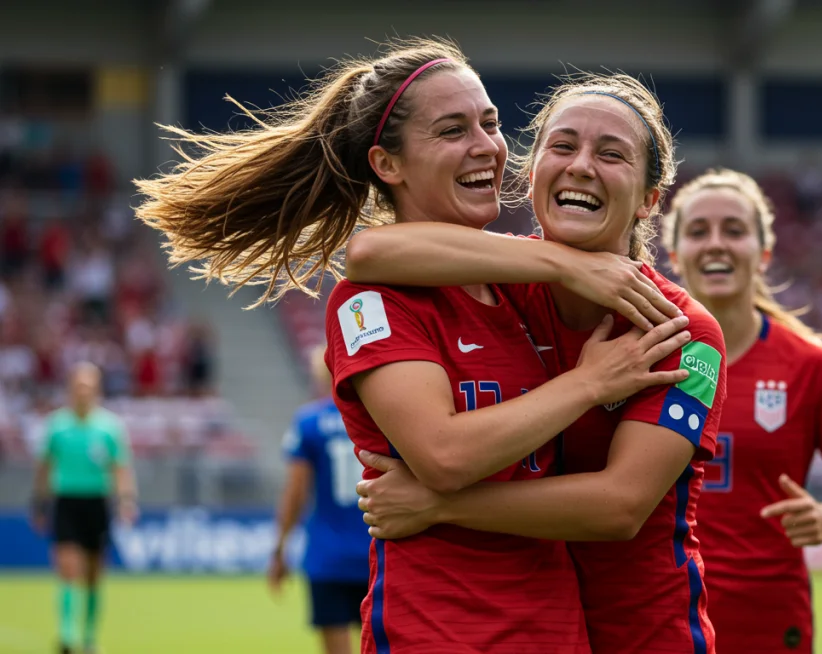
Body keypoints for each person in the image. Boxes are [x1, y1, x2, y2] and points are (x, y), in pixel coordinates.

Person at [134, 38, 685, 653]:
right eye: (452, 130)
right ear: (388, 165)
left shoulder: (520, 288)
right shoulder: (373, 303)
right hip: (441, 632)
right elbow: (443, 456)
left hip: (554, 631)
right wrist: (586, 382)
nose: (486, 146)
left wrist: (564, 267)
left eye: (491, 123)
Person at [348, 73, 728, 654]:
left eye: (611, 154)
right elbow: (368, 254)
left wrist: (439, 504)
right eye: (563, 146)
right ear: (531, 176)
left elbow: (619, 506)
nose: (580, 166)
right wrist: (566, 267)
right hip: (535, 626)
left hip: (646, 633)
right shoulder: (501, 285)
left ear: (651, 199)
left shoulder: (683, 332)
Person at [660, 168, 822, 653]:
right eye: (699, 231)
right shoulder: (641, 352)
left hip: (768, 621)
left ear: (763, 254)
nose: (716, 243)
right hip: (658, 616)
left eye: (734, 230)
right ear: (675, 254)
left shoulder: (811, 365)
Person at [268, 345, 369, 654]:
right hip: (379, 553)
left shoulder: (308, 422)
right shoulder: (378, 417)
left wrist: (280, 548)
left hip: (328, 557)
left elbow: (295, 493)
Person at [31, 362, 137, 654]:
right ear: (70, 388)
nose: (83, 392)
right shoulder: (57, 425)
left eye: (89, 387)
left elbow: (121, 469)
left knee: (93, 573)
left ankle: (88, 638)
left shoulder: (109, 427)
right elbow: (44, 466)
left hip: (97, 503)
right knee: (68, 567)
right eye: (79, 385)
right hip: (66, 501)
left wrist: (127, 500)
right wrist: (38, 503)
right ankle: (66, 636)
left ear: (97, 390)